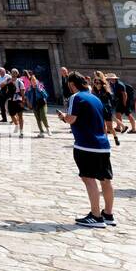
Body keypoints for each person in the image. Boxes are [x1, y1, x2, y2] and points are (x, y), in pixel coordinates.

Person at [58, 71, 115, 228]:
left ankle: (95, 216)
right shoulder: (95, 98)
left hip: (85, 144)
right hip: (103, 145)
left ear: (71, 84)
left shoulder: (75, 97)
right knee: (106, 180)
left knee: (89, 179)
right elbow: (103, 122)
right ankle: (108, 214)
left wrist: (63, 117)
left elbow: (71, 119)